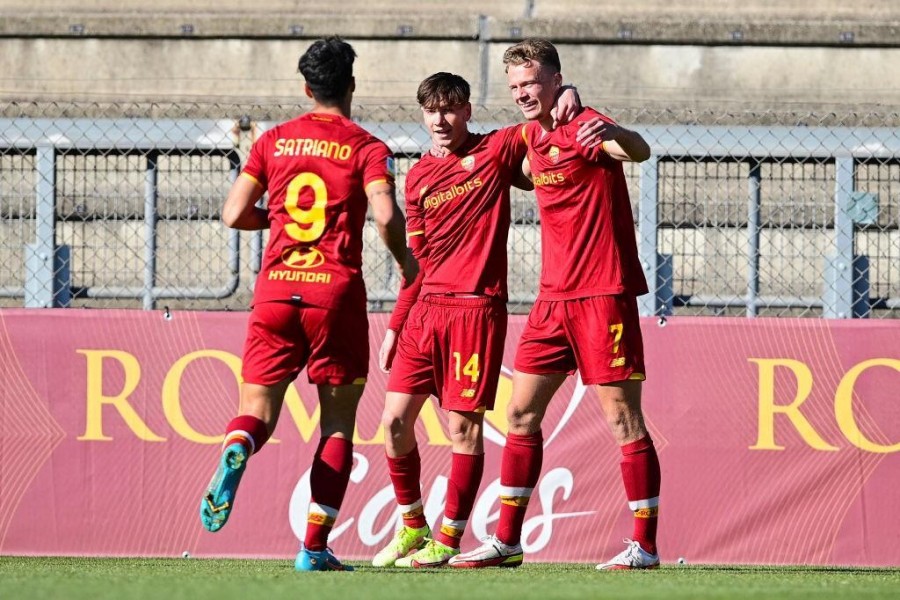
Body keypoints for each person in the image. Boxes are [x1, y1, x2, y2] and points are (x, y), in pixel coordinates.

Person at [199, 36, 414, 572]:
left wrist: (275, 223)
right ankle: (314, 549)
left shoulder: (272, 141)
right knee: (337, 425)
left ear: (305, 87)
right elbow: (386, 216)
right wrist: (406, 262)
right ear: (352, 86)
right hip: (333, 295)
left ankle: (240, 446)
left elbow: (232, 213)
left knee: (257, 413)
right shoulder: (367, 147)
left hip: (275, 291)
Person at [448, 38, 661, 570]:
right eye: (516, 86)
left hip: (601, 294)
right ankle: (507, 540)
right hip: (551, 301)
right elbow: (513, 167)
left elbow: (638, 150)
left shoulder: (584, 125)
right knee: (519, 414)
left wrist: (610, 130)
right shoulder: (527, 135)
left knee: (622, 419)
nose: (523, 93)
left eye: (532, 83)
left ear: (555, 79)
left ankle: (644, 546)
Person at [371, 72, 584, 568]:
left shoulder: (496, 149)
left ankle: (448, 538)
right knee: (394, 422)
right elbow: (415, 264)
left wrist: (568, 91)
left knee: (462, 430)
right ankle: (412, 527)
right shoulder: (418, 175)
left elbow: (544, 121)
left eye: (450, 109)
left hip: (475, 310)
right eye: (431, 111)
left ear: (468, 111)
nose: (440, 120)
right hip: (424, 314)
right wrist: (395, 324)